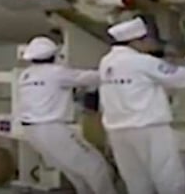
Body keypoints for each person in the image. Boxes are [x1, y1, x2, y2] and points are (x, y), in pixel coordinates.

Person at [98, 17, 185, 194]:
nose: (151, 43)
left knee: (136, 180)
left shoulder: (106, 62)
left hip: (118, 130)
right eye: (148, 39)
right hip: (148, 128)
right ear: (136, 41)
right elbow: (178, 76)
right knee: (167, 175)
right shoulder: (141, 61)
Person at [16, 36, 117, 194]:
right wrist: (114, 70)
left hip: (32, 131)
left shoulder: (26, 75)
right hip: (52, 130)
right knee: (96, 167)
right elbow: (91, 77)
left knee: (73, 171)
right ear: (53, 55)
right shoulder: (57, 73)